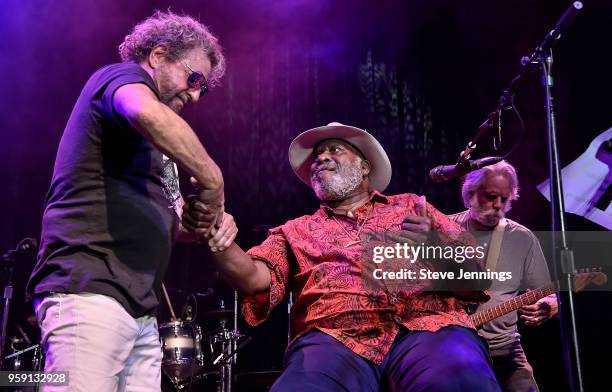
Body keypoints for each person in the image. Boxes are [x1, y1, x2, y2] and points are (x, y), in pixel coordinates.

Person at [184, 122, 501, 391]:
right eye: (317, 156)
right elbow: (253, 278)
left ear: (365, 167)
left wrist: (435, 246)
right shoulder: (295, 231)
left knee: (462, 377)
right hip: (334, 338)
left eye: (334, 150)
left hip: (429, 328)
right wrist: (215, 232)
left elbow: (476, 280)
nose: (321, 157)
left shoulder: (412, 207)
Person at [26, 11, 226, 391]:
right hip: (90, 289)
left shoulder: (154, 146)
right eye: (195, 78)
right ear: (159, 55)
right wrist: (214, 179)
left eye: (205, 88)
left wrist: (203, 220)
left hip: (138, 309)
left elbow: (175, 221)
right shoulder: (121, 78)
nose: (197, 94)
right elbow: (144, 110)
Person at [449, 160, 558, 392]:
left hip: (505, 349)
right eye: (490, 196)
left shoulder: (523, 238)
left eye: (504, 199)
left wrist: (549, 305)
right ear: (470, 194)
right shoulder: (444, 230)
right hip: (453, 347)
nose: (498, 205)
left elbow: (548, 293)